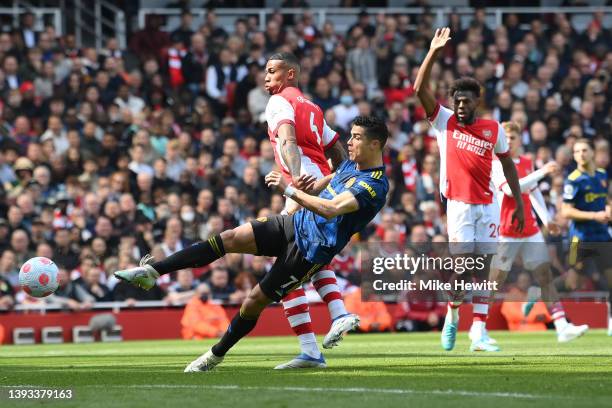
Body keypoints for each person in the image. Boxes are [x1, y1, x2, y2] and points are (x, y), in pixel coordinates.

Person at [114, 116, 389, 372]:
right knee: (230, 237)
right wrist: (309, 186)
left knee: (254, 300)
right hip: (293, 224)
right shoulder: (351, 164)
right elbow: (327, 185)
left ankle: (215, 354)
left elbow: (330, 209)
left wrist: (289, 189)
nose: (349, 142)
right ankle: (153, 272)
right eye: (350, 136)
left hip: (309, 251)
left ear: (375, 144)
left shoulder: (374, 186)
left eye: (356, 138)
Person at [414, 28, 525, 352]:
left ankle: (478, 332)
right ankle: (452, 314)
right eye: (457, 100)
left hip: (489, 204)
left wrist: (517, 203)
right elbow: (419, 87)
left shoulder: (493, 128)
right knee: (464, 270)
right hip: (459, 205)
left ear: (477, 101)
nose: (461, 105)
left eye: (466, 100)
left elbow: (507, 164)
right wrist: (434, 52)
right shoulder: (444, 121)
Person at [261, 52, 359, 369]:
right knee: (310, 259)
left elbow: (287, 141)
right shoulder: (314, 108)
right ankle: (338, 314)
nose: (266, 78)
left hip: (304, 187)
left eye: (272, 71)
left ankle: (311, 349)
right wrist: (341, 178)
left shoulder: (279, 102)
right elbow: (337, 148)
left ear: (290, 74)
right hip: (324, 185)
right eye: (265, 72)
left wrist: (295, 180)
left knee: (286, 267)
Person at [471, 121, 588, 346]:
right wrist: (542, 172)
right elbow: (509, 188)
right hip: (505, 229)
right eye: (506, 137)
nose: (510, 141)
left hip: (530, 229)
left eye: (513, 137)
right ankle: (479, 328)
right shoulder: (495, 163)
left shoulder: (526, 161)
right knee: (495, 281)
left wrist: (547, 219)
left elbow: (532, 191)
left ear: (519, 140)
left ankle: (562, 326)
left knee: (545, 276)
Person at [560, 139, 612, 336]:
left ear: (592, 153)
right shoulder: (573, 180)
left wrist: (607, 209)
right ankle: (536, 293)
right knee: (571, 284)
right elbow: (566, 211)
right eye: (576, 151)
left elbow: (604, 199)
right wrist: (594, 216)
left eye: (584, 150)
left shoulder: (601, 175)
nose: (580, 154)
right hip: (579, 238)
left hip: (601, 236)